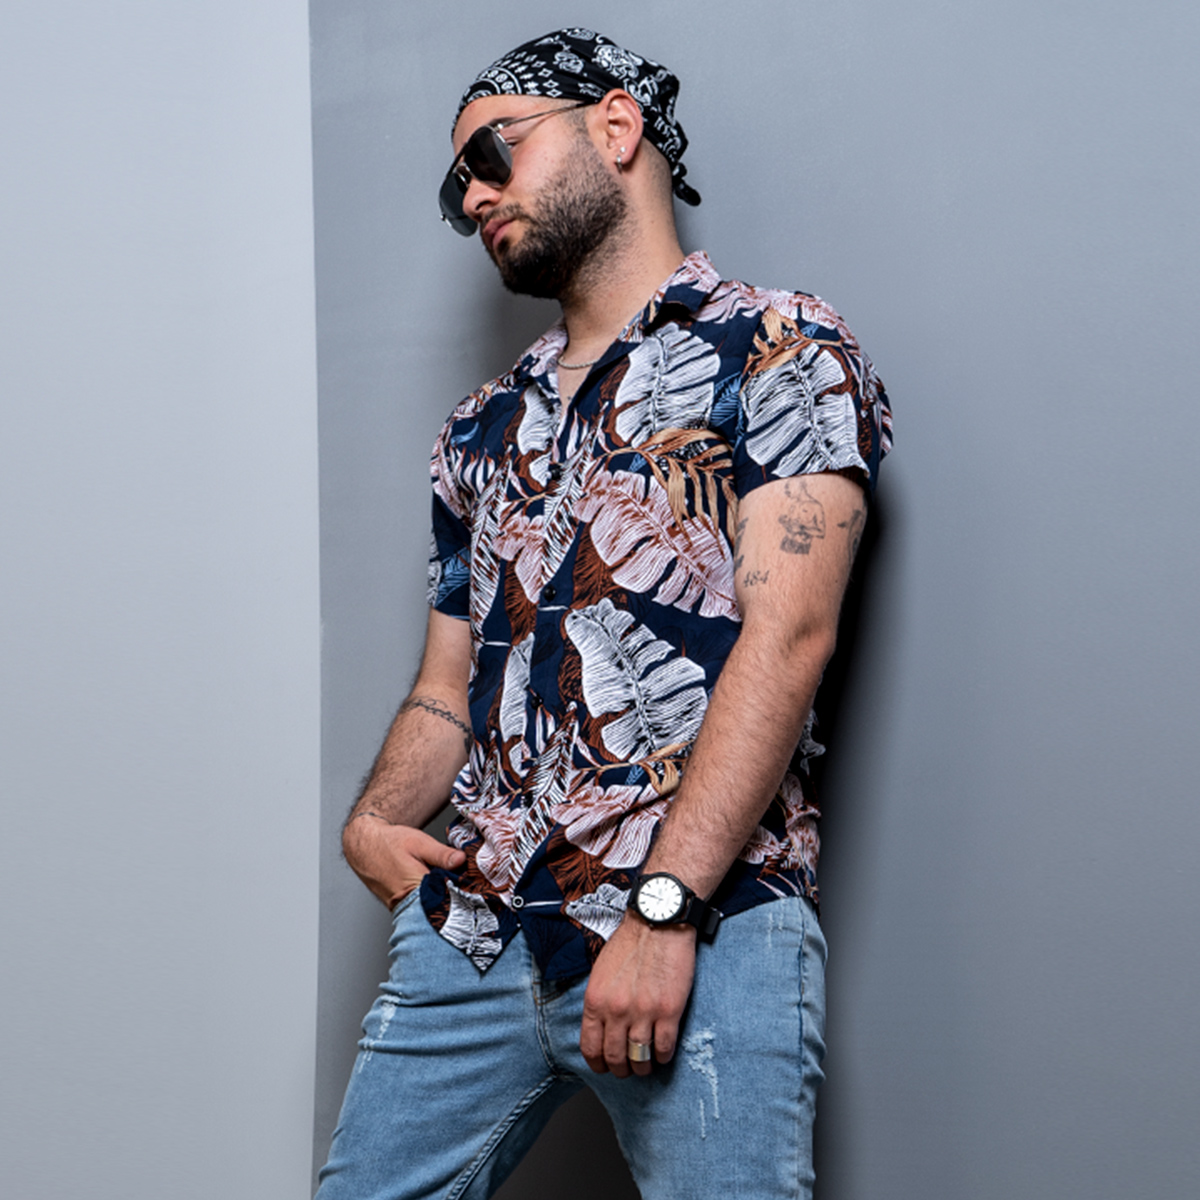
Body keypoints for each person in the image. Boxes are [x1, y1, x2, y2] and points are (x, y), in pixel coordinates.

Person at [317, 28, 892, 1200]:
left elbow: (790, 638)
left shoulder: (779, 346)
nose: (474, 196)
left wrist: (665, 911)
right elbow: (447, 683)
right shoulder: (479, 427)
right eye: (455, 187)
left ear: (617, 127)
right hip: (479, 933)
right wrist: (373, 822)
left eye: (493, 154)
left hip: (706, 926)